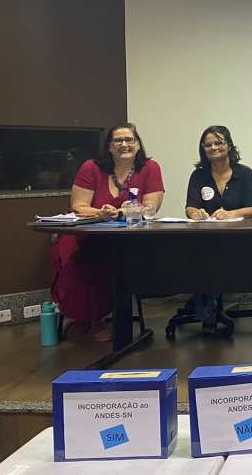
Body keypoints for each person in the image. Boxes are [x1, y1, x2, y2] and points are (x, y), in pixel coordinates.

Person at [51, 123, 164, 341]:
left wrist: (120, 213)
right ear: (109, 147)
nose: (124, 144)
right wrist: (101, 213)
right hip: (87, 235)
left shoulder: (150, 168)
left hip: (129, 239)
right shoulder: (91, 167)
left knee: (116, 261)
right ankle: (86, 317)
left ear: (138, 145)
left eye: (129, 140)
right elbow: (78, 206)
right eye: (118, 140)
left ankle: (100, 318)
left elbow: (151, 208)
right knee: (77, 260)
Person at [185, 125, 252, 332]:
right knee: (198, 254)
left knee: (211, 258)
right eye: (208, 144)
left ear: (229, 146)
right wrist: (195, 213)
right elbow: (190, 206)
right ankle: (207, 305)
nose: (213, 147)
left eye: (218, 143)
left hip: (239, 238)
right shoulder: (198, 175)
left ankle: (206, 308)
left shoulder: (245, 174)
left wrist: (231, 214)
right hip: (206, 238)